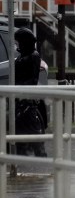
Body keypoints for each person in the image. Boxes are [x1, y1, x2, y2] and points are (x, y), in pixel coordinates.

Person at [13, 28, 47, 157]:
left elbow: (33, 79)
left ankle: (40, 153)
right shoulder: (22, 55)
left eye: (18, 42)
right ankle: (22, 153)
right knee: (20, 128)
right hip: (20, 96)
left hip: (27, 99)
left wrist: (18, 87)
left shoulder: (33, 56)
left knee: (32, 127)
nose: (17, 45)